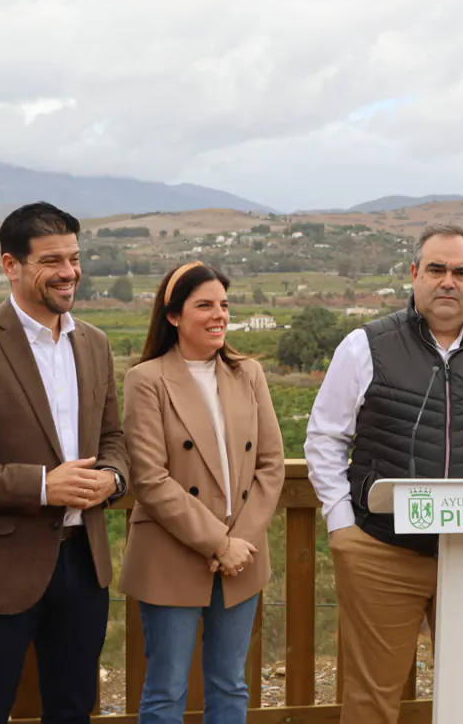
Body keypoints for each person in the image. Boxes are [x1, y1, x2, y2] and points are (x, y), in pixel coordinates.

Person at [304, 223, 463, 724]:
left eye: (461, 271)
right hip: (382, 550)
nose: (449, 281)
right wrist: (342, 527)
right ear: (415, 275)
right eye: (437, 269)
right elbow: (325, 438)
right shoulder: (364, 346)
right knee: (372, 696)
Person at [0, 202, 129, 723]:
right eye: (51, 261)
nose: (68, 272)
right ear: (11, 265)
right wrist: (44, 486)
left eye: (74, 257)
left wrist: (112, 478)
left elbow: (115, 438)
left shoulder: (95, 344)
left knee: (72, 709)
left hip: (84, 566)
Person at [119, 262, 285, 723]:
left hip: (241, 557)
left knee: (231, 685)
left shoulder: (248, 373)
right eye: (205, 305)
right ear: (173, 316)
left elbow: (271, 466)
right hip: (172, 553)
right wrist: (218, 542)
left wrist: (240, 544)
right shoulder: (146, 380)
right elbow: (150, 478)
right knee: (166, 690)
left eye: (224, 305)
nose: (219, 315)